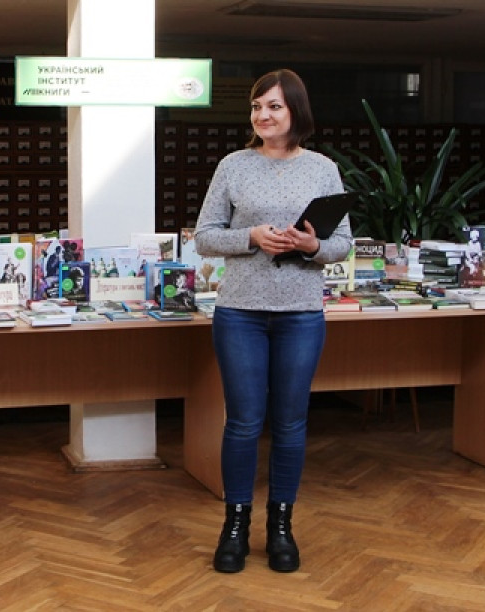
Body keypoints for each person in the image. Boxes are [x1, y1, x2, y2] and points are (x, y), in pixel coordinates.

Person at [193, 69, 353, 574]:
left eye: (274, 106)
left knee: (290, 422)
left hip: (300, 313)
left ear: (295, 112)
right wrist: (251, 237)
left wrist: (312, 244)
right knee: (243, 423)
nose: (262, 115)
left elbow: (342, 243)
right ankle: (234, 527)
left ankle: (281, 526)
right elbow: (204, 237)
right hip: (240, 311)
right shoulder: (233, 166)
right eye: (257, 106)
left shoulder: (323, 169)